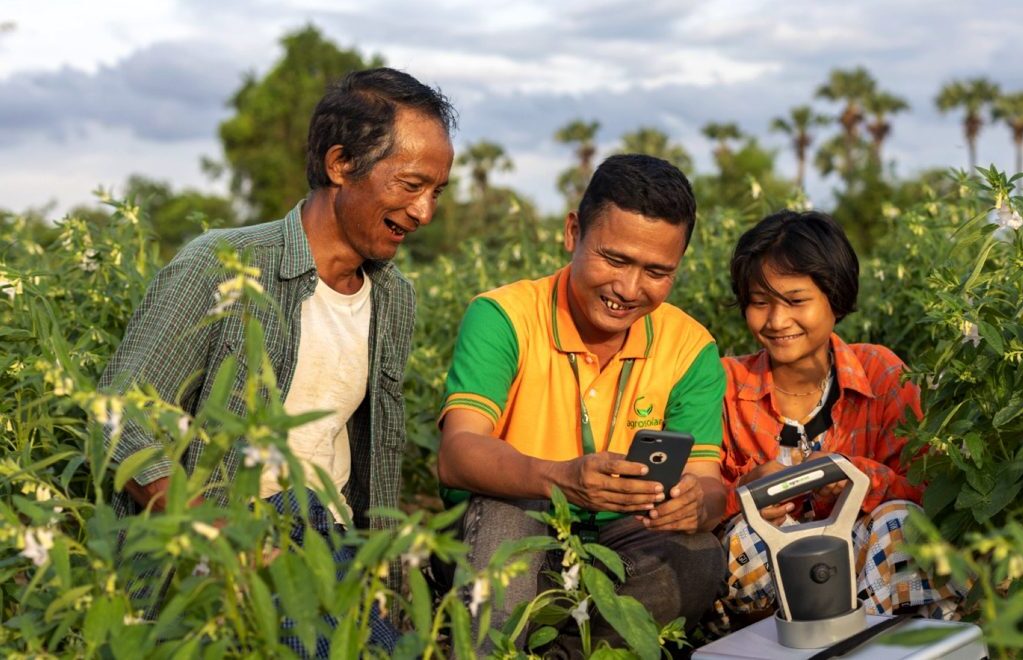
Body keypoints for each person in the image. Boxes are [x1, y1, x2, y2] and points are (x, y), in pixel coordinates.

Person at [100, 68, 456, 655]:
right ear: (341, 165)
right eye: (411, 184)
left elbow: (367, 463)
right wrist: (209, 532)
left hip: (332, 542)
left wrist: (382, 576)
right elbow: (121, 415)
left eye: (436, 192)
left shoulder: (394, 298)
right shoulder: (223, 264)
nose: (424, 212)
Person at [437, 154, 728, 653]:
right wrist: (564, 479)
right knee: (506, 524)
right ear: (573, 232)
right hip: (507, 531)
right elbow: (458, 453)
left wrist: (695, 504)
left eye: (656, 271)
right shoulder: (503, 317)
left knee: (697, 556)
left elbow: (710, 483)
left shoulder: (690, 347)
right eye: (614, 260)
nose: (628, 289)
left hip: (617, 546)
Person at [710, 209, 962, 630]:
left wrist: (859, 481)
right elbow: (695, 500)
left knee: (900, 522)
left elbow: (930, 492)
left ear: (835, 296)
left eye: (795, 300)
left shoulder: (881, 374)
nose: (776, 321)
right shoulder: (725, 385)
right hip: (771, 597)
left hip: (871, 579)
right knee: (744, 538)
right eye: (759, 302)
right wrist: (742, 496)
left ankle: (874, 648)